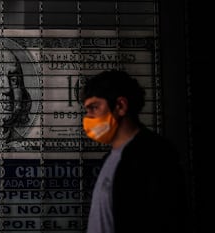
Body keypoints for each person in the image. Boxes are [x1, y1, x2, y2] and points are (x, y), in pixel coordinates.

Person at [80, 70, 191, 233]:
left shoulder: (154, 155)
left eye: (94, 107)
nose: (88, 117)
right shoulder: (110, 158)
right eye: (87, 109)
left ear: (120, 106)